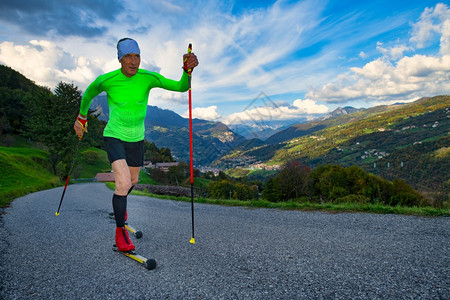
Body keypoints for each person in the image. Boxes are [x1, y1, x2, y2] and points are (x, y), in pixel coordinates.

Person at [73, 38, 198, 252]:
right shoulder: (106, 80)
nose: (133, 61)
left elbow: (181, 87)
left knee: (132, 180)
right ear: (120, 59)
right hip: (114, 136)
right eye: (128, 56)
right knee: (122, 184)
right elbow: (88, 95)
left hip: (136, 139)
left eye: (137, 56)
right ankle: (119, 233)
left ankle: (120, 206)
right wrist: (81, 118)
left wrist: (187, 71)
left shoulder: (148, 78)